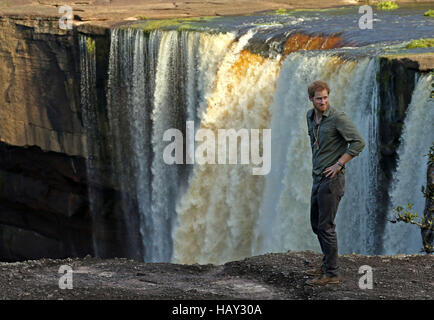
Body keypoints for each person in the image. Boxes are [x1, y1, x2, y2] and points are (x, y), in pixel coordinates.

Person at [305, 80, 365, 286]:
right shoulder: (310, 116)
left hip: (332, 179)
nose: (323, 101)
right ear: (311, 99)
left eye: (325, 97)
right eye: (318, 98)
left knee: (326, 226)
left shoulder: (338, 118)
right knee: (316, 224)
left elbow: (358, 142)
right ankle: (326, 264)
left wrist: (339, 164)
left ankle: (332, 274)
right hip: (318, 177)